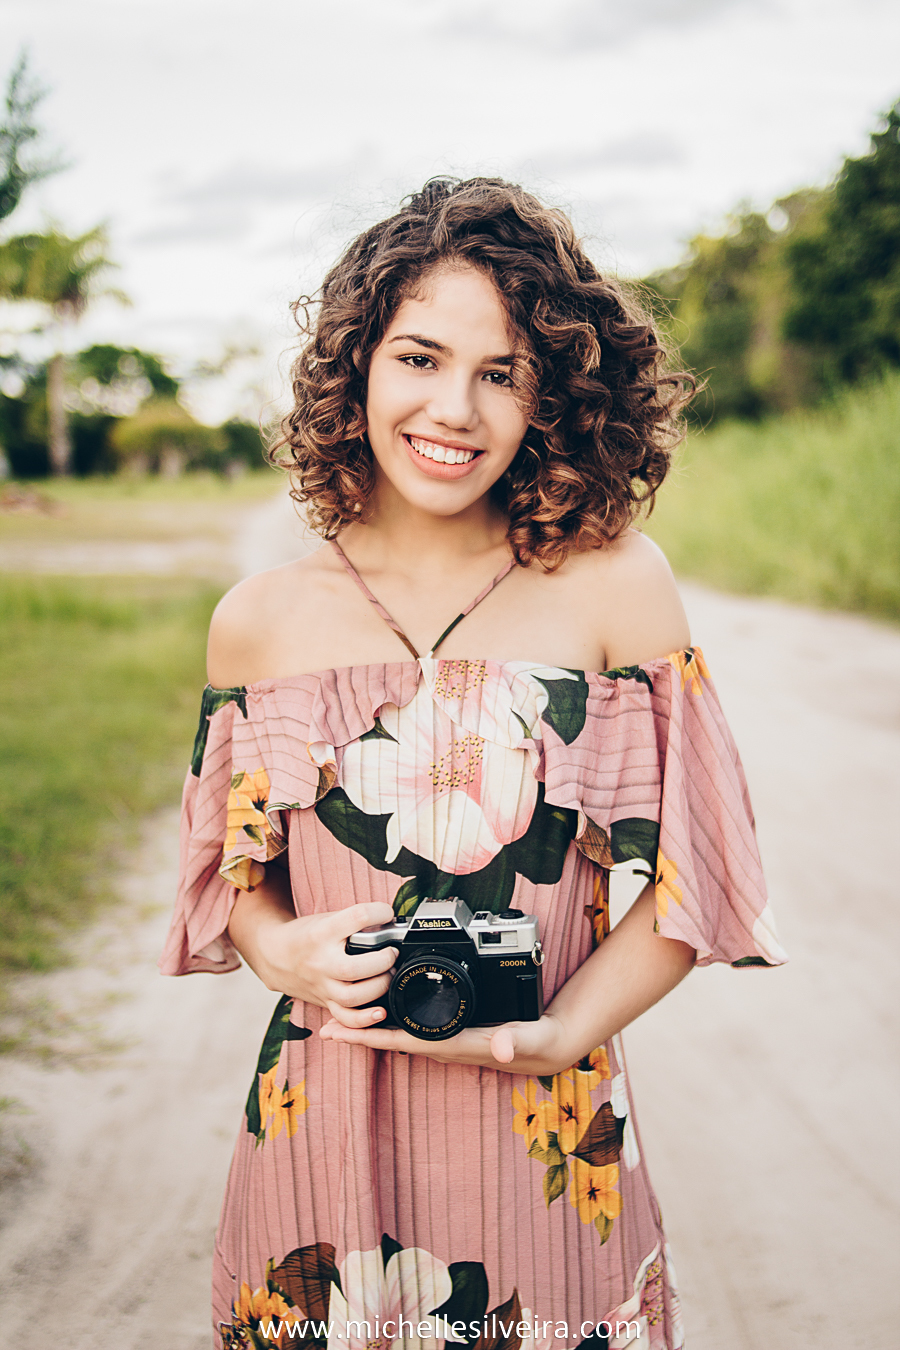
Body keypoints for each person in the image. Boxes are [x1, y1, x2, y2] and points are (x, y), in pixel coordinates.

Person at [161, 177, 786, 1350]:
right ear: (355, 367)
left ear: (553, 394)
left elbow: (699, 874)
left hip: (549, 1137)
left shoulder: (615, 584)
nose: (454, 408)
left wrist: (563, 1035)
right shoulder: (259, 620)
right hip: (322, 1136)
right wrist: (283, 948)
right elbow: (236, 883)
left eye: (501, 373)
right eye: (419, 358)